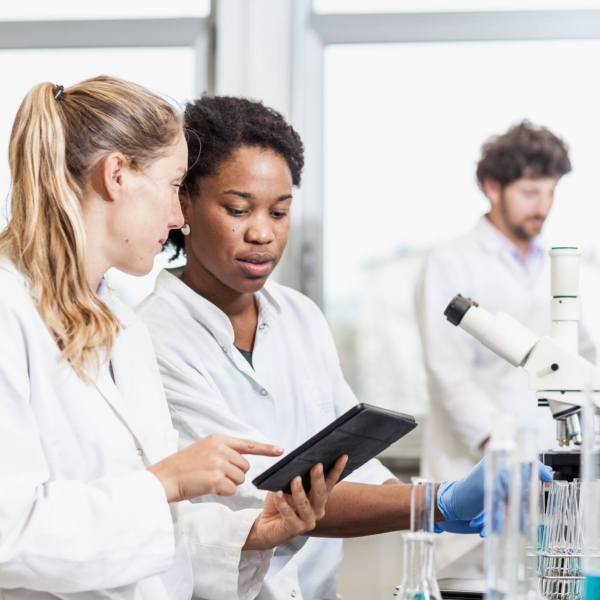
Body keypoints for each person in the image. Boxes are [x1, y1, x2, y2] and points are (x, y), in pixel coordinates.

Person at [136, 96, 551, 600]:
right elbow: (268, 495)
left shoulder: (300, 316)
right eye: (238, 209)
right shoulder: (154, 335)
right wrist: (435, 501)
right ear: (184, 205)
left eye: (280, 211)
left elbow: (350, 463)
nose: (263, 232)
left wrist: (432, 504)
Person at [0, 77, 345, 600]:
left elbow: (158, 534)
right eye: (172, 186)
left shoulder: (122, 327)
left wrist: (251, 534)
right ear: (117, 175)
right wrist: (165, 481)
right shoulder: (9, 311)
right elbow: (11, 534)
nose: (178, 216)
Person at [415, 120, 595, 567]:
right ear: (493, 187)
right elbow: (448, 375)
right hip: (472, 475)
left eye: (551, 192)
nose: (544, 206)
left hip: (556, 485)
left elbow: (587, 355)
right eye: (531, 192)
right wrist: (506, 452)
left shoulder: (571, 268)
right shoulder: (449, 263)